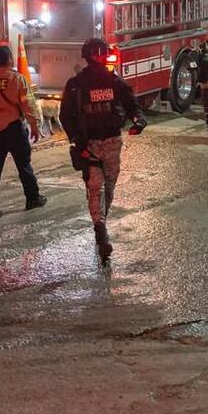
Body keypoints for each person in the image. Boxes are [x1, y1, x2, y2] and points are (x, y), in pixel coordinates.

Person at [59, 38, 147, 259]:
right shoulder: (109, 81)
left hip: (92, 145)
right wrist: (139, 119)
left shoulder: (78, 84)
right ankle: (101, 229)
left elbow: (66, 116)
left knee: (97, 188)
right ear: (99, 55)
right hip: (107, 144)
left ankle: (100, 226)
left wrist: (78, 141)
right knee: (105, 187)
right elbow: (132, 105)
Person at [0, 45, 47, 219]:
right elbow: (27, 104)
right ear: (9, 60)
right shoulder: (17, 79)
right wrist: (35, 125)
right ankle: (32, 198)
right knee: (24, 165)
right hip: (13, 128)